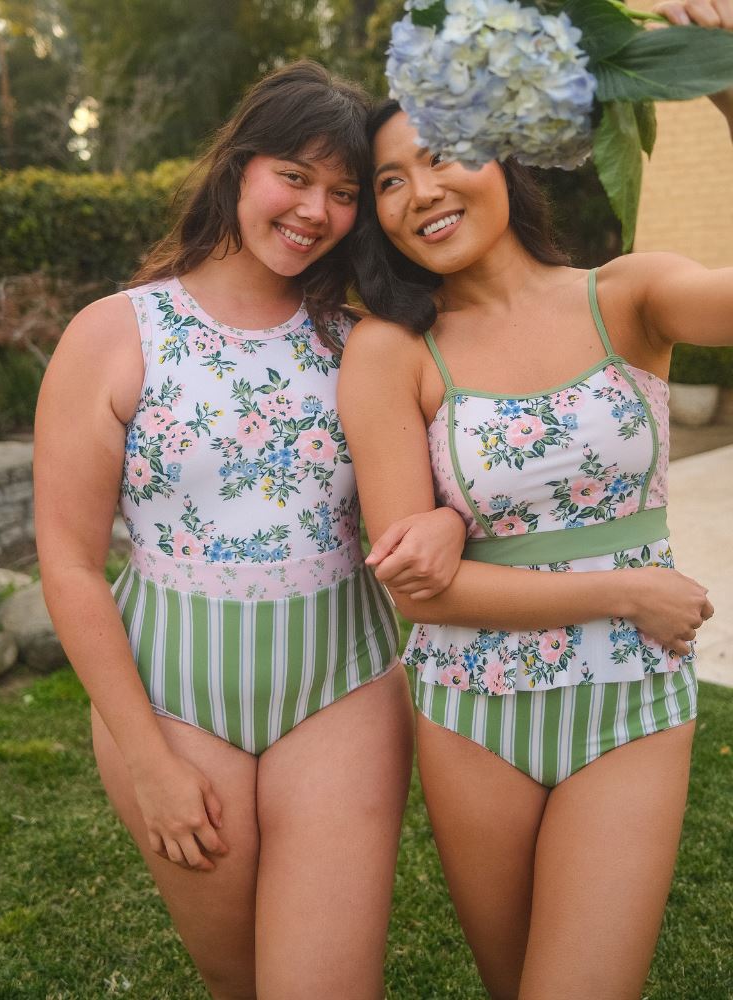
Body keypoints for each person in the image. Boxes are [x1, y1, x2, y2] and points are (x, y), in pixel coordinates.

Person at [34, 61, 466, 1000]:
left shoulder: (367, 342)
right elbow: (67, 562)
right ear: (239, 166)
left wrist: (447, 520)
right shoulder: (114, 335)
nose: (317, 210)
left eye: (346, 193)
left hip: (340, 692)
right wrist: (146, 761)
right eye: (296, 176)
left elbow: (465, 477)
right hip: (171, 708)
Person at [338, 4, 732, 998]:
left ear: (504, 157)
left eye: (440, 155)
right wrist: (625, 591)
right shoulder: (390, 352)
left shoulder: (625, 297)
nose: (417, 191)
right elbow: (418, 591)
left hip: (628, 703)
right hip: (470, 713)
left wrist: (724, 84)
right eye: (386, 181)